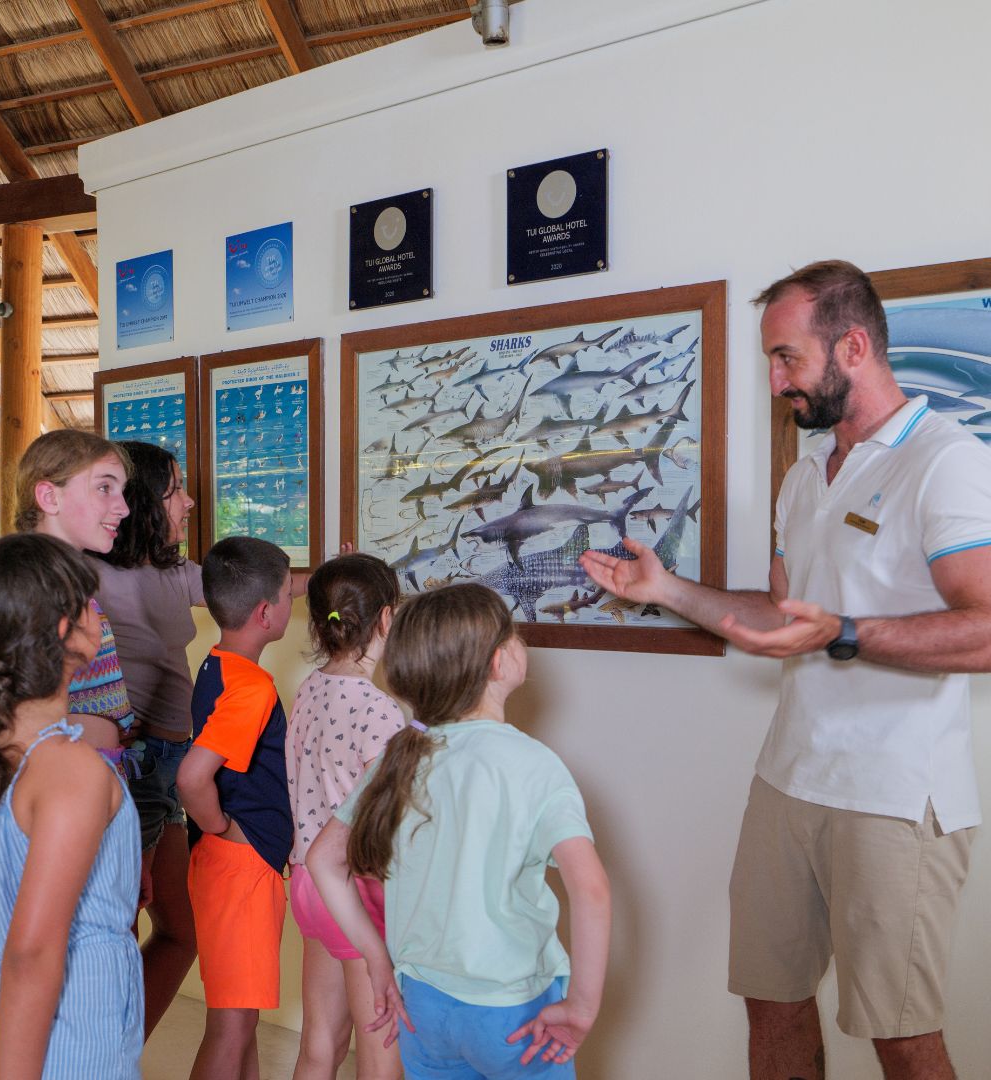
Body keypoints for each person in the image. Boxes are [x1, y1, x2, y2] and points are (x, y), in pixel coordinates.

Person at [580, 260, 991, 1080]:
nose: (775, 381)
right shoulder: (805, 476)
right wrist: (665, 590)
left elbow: (985, 626)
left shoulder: (944, 461)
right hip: (789, 780)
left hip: (894, 794)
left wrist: (843, 632)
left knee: (899, 1035)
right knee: (771, 1002)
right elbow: (781, 614)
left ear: (853, 346)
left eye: (786, 358)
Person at [307, 583, 611, 1078]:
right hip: (512, 1013)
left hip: (423, 1007)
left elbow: (323, 860)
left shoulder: (399, 755)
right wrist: (582, 1005)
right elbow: (592, 890)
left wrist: (376, 960)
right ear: (499, 663)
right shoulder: (534, 764)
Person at [0, 532, 143, 1079]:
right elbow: (32, 955)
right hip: (56, 1044)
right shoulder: (73, 771)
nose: (100, 614)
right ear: (65, 629)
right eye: (92, 602)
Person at [177, 536, 295, 1080]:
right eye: (291, 594)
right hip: (239, 869)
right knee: (230, 1028)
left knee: (239, 1024)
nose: (296, 603)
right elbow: (193, 775)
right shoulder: (251, 688)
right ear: (267, 613)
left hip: (236, 868)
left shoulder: (219, 664)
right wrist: (220, 826)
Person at [94, 440, 201, 1038]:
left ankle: (114, 1050)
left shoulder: (173, 572)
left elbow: (255, 588)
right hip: (129, 769)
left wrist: (339, 579)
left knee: (182, 933)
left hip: (170, 768)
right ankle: (103, 1055)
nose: (187, 502)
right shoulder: (86, 572)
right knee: (116, 933)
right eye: (175, 490)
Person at [288, 552, 405, 1080]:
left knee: (320, 1043)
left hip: (308, 884)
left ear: (319, 624)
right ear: (387, 618)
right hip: (355, 889)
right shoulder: (379, 708)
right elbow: (384, 818)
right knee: (382, 1052)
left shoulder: (307, 691)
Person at [15, 429, 135, 753]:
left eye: (121, 491)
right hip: (70, 783)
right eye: (104, 488)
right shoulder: (32, 590)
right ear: (50, 497)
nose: (123, 508)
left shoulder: (66, 581)